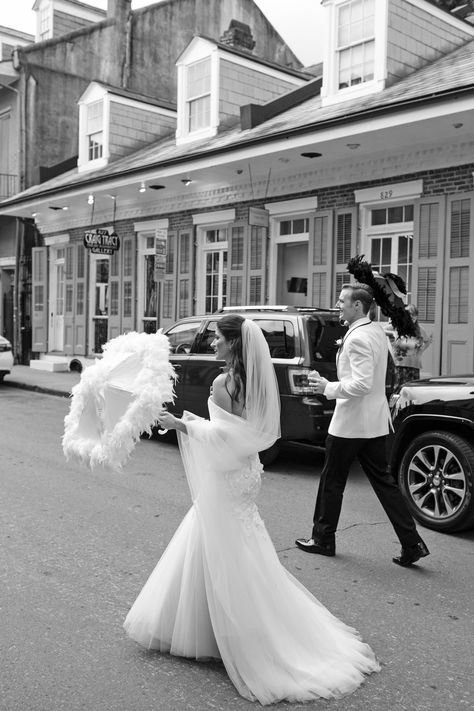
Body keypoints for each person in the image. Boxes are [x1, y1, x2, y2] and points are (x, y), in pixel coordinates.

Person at [123, 314, 380, 705]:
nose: (213, 345)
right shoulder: (259, 383)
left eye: (218, 340)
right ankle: (213, 625)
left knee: (222, 547)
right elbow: (251, 436)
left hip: (228, 476)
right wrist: (190, 422)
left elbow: (224, 437)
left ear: (233, 344)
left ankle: (225, 631)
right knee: (237, 548)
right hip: (247, 473)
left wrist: (180, 423)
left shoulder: (222, 383)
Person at [296, 284, 430, 567]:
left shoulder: (357, 337)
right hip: (373, 422)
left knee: (332, 481)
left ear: (358, 306)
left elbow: (362, 383)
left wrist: (326, 387)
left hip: (350, 424)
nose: (337, 304)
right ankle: (412, 543)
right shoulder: (375, 331)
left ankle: (323, 539)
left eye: (342, 300)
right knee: (385, 483)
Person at [385, 304, 432, 389]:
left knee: (412, 390)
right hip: (400, 366)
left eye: (413, 314)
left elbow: (428, 341)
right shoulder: (397, 327)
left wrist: (421, 350)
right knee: (399, 390)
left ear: (416, 317)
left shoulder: (419, 329)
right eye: (408, 314)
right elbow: (382, 329)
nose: (411, 317)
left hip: (414, 366)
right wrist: (391, 335)